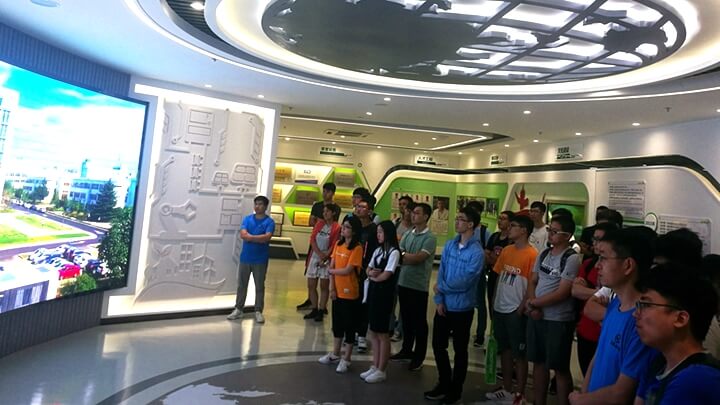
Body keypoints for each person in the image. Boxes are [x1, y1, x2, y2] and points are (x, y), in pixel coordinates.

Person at [569, 227, 658, 405]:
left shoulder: (640, 321)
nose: (597, 265)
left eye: (603, 258)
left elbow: (621, 393)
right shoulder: (615, 303)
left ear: (628, 265)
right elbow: (598, 356)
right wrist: (584, 393)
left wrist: (580, 400)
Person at [633, 263, 720, 405]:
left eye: (646, 305)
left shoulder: (696, 379)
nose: (635, 314)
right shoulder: (658, 363)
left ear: (680, 319)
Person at [424, 207, 485, 404]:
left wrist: (441, 288)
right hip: (444, 306)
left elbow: (466, 281)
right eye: (456, 218)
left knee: (460, 350)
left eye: (461, 219)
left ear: (471, 224)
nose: (456, 222)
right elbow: (441, 271)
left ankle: (455, 390)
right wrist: (439, 300)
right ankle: (443, 382)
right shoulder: (450, 245)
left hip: (462, 309)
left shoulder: (477, 252)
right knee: (438, 345)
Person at [526, 215, 581, 405]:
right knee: (538, 363)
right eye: (550, 230)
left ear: (567, 235)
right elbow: (533, 280)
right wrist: (533, 304)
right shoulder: (543, 254)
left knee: (559, 367)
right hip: (538, 316)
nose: (550, 234)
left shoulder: (571, 258)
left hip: (558, 320)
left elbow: (562, 293)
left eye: (555, 231)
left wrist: (535, 304)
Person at [484, 214, 537, 405]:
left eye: (513, 225)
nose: (509, 228)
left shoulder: (532, 255)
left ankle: (519, 393)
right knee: (505, 349)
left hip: (516, 310)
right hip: (500, 307)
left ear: (524, 230)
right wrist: (494, 302)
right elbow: (498, 276)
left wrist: (522, 307)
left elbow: (532, 284)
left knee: (519, 354)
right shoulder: (506, 250)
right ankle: (507, 389)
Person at [391, 202, 437, 371]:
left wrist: (405, 255)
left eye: (417, 213)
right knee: (406, 319)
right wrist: (405, 255)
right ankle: (406, 350)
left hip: (418, 286)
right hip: (404, 282)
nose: (413, 215)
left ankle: (419, 356)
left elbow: (419, 258)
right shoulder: (408, 234)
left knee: (419, 323)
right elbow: (399, 253)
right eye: (413, 212)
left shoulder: (430, 238)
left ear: (425, 216)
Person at [318, 216, 364, 373]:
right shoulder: (338, 244)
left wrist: (331, 271)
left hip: (350, 293)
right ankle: (335, 353)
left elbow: (348, 270)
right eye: (343, 226)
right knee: (337, 324)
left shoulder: (357, 248)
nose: (343, 229)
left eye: (347, 227)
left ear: (354, 231)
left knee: (349, 325)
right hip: (337, 291)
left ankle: (347, 358)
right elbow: (333, 265)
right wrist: (332, 288)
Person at [572, 223, 617, 376]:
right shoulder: (589, 264)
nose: (595, 243)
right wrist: (598, 293)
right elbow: (575, 291)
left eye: (600, 239)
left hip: (605, 335)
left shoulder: (614, 275)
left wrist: (591, 292)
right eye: (594, 239)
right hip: (585, 329)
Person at [361, 220, 401, 383]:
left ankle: (382, 369)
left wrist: (374, 277)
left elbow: (387, 274)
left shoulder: (394, 252)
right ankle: (375, 364)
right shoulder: (378, 250)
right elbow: (368, 268)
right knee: (373, 331)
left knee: (383, 333)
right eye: (377, 232)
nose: (378, 235)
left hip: (385, 295)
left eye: (381, 232)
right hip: (373, 292)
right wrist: (371, 274)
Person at [227, 195, 275, 324]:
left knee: (259, 286)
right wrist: (258, 238)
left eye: (260, 204)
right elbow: (243, 234)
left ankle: (258, 310)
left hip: (260, 259)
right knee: (242, 285)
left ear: (265, 206)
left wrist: (251, 237)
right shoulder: (247, 219)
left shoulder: (269, 222)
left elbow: (267, 237)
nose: (257, 206)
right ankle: (239, 309)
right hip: (245, 258)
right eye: (256, 204)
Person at [298, 183, 337, 311]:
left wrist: (325, 255)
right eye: (324, 191)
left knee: (324, 283)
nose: (325, 194)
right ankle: (312, 302)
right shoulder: (317, 206)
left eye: (328, 191)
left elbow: (333, 229)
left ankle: (322, 307)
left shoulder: (336, 211)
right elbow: (311, 222)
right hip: (316, 249)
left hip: (327, 251)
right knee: (311, 279)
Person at [303, 203, 341, 322]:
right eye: (324, 211)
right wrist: (319, 254)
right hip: (315, 256)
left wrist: (325, 256)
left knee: (324, 286)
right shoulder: (319, 224)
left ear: (333, 213)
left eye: (327, 211)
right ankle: (314, 308)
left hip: (327, 258)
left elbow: (335, 243)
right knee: (311, 285)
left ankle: (321, 309)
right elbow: (312, 239)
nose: (325, 214)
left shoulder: (337, 227)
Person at [465, 200, 491, 347]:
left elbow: (487, 253)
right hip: (463, 272)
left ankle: (480, 334)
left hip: (478, 273)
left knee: (480, 304)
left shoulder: (484, 232)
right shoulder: (463, 230)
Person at [355, 196, 378, 353]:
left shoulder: (374, 229)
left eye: (363, 207)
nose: (359, 209)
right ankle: (351, 333)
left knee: (363, 303)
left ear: (369, 211)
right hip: (352, 269)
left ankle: (362, 334)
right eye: (358, 206)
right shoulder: (353, 226)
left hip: (366, 271)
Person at [484, 210, 515, 324]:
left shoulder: (512, 240)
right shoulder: (494, 236)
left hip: (505, 277)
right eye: (499, 218)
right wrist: (495, 259)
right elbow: (486, 254)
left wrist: (495, 259)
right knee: (491, 301)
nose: (500, 221)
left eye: (503, 219)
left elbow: (507, 261)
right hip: (492, 274)